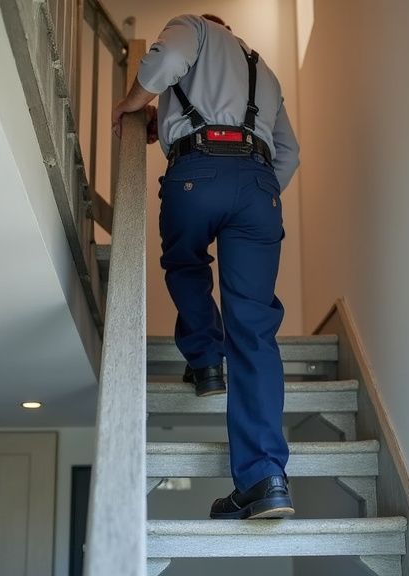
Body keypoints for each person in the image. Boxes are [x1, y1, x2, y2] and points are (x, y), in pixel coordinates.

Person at [112, 13, 299, 520]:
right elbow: (290, 153)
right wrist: (255, 194)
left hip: (197, 171)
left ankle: (204, 359)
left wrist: (136, 100)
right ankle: (264, 479)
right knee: (256, 330)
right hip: (261, 185)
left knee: (185, 263)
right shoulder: (265, 69)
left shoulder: (192, 26)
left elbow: (168, 59)